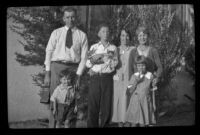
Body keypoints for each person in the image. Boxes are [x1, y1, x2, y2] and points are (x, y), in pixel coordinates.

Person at [44, 7, 88, 128]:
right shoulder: (56, 33)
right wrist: (47, 73)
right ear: (63, 18)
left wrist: (78, 75)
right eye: (67, 17)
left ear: (76, 18)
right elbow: (48, 51)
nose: (70, 19)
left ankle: (70, 125)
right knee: (55, 99)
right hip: (57, 67)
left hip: (73, 69)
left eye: (72, 17)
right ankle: (53, 126)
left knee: (72, 100)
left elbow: (84, 58)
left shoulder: (82, 35)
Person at [86, 23, 118, 127]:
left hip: (107, 78)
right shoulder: (94, 47)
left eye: (107, 31)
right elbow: (88, 63)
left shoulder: (113, 48)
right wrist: (98, 57)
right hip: (95, 77)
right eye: (103, 31)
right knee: (93, 105)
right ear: (99, 34)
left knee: (106, 105)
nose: (106, 33)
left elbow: (114, 64)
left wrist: (108, 60)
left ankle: (105, 125)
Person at [129, 25, 162, 119]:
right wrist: (132, 84)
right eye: (140, 35)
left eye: (144, 35)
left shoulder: (153, 50)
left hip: (149, 85)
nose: (142, 37)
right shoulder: (133, 51)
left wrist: (157, 78)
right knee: (137, 111)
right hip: (137, 86)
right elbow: (130, 70)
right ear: (137, 37)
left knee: (150, 111)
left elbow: (160, 67)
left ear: (148, 36)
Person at [111, 29, 135, 127]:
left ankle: (128, 123)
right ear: (120, 37)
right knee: (118, 103)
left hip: (129, 80)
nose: (125, 38)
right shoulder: (115, 49)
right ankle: (119, 124)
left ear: (130, 37)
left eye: (127, 35)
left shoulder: (133, 49)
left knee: (127, 102)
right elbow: (111, 65)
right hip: (117, 81)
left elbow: (137, 65)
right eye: (122, 35)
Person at [125, 55, 157, 127]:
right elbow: (129, 91)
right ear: (136, 66)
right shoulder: (134, 76)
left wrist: (154, 104)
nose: (141, 67)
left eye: (143, 65)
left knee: (143, 123)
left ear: (146, 65)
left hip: (145, 102)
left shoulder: (150, 75)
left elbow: (153, 91)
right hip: (135, 102)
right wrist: (136, 82)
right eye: (139, 66)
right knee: (134, 123)